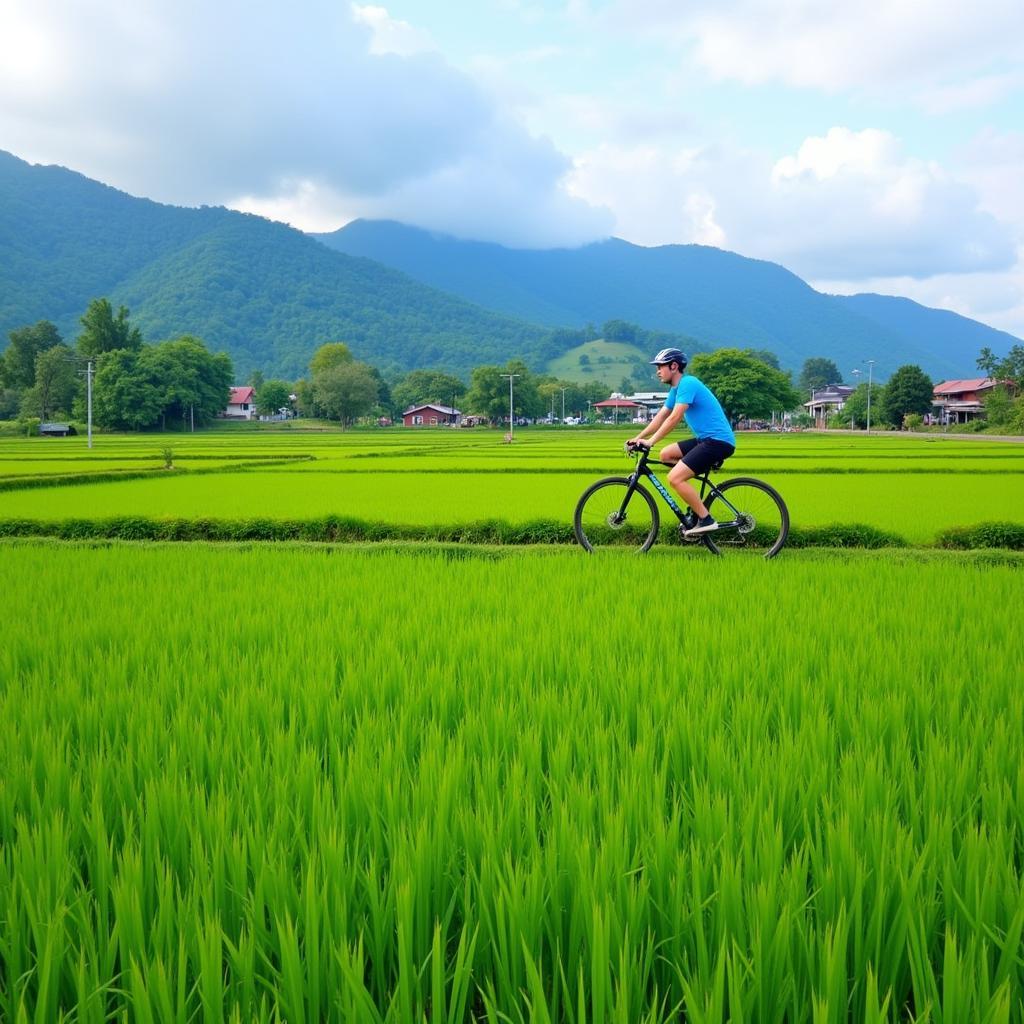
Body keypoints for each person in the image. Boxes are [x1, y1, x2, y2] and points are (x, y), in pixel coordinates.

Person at [627, 348, 735, 535]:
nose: (657, 371)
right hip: (705, 440)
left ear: (674, 366)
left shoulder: (688, 383)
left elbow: (674, 417)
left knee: (674, 478)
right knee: (666, 454)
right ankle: (695, 505)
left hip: (718, 442)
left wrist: (650, 442)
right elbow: (661, 416)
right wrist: (639, 438)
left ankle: (705, 519)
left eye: (660, 366)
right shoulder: (676, 390)